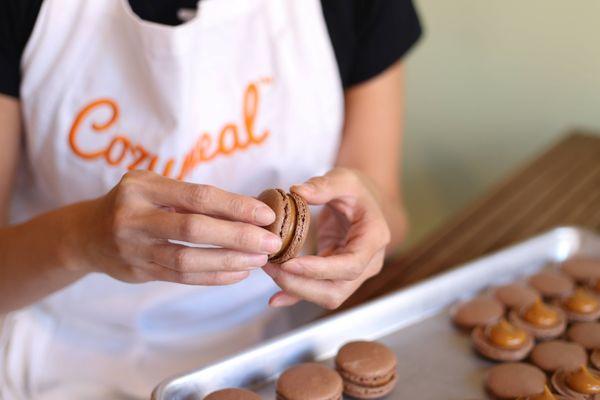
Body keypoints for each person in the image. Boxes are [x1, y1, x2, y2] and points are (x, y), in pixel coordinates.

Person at [0, 0, 421, 398]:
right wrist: (82, 237)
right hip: (60, 358)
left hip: (283, 351)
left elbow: (386, 209)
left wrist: (363, 233)